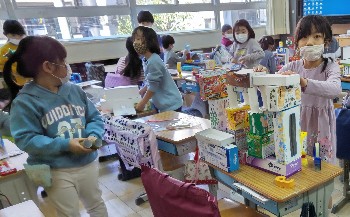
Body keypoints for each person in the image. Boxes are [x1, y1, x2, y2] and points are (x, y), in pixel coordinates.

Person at [3, 36, 108, 216]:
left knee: (96, 204)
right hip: (56, 170)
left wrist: (93, 135)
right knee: (69, 212)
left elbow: (94, 117)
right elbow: (26, 139)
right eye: (63, 62)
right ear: (48, 66)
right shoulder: (26, 102)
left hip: (87, 163)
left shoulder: (74, 90)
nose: (67, 66)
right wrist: (66, 145)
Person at [255, 15, 341, 164]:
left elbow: (334, 89)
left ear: (326, 42)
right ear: (297, 43)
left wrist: (303, 82)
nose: (309, 42)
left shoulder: (330, 67)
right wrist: (261, 74)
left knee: (321, 166)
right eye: (304, 37)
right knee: (298, 161)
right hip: (296, 121)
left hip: (321, 124)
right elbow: (271, 85)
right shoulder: (292, 67)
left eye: (317, 36)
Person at [133, 26, 183, 113]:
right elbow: (151, 81)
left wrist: (142, 103)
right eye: (134, 39)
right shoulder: (146, 60)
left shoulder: (154, 60)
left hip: (171, 104)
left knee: (171, 126)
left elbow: (153, 86)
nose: (135, 43)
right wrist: (142, 91)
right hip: (164, 104)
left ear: (148, 41)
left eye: (138, 39)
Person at [0, 20, 30, 86]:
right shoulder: (4, 50)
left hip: (34, 80)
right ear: (5, 34)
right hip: (19, 84)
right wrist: (15, 71)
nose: (17, 37)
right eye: (13, 35)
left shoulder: (28, 44)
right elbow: (2, 67)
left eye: (20, 35)